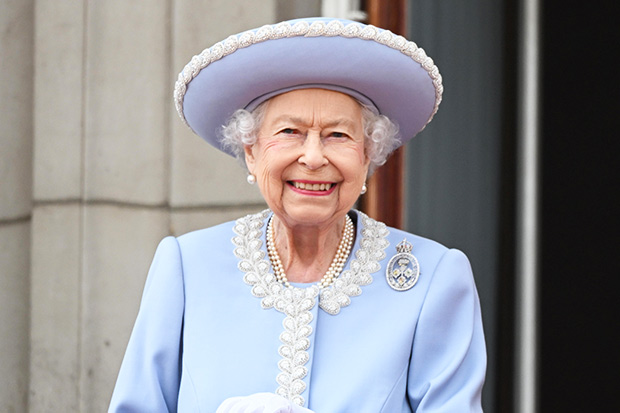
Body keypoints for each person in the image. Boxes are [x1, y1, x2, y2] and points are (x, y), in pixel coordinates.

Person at [109, 17, 486, 412]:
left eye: (337, 135)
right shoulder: (187, 267)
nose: (312, 157)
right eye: (289, 132)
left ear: (367, 156)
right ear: (252, 152)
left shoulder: (432, 279)